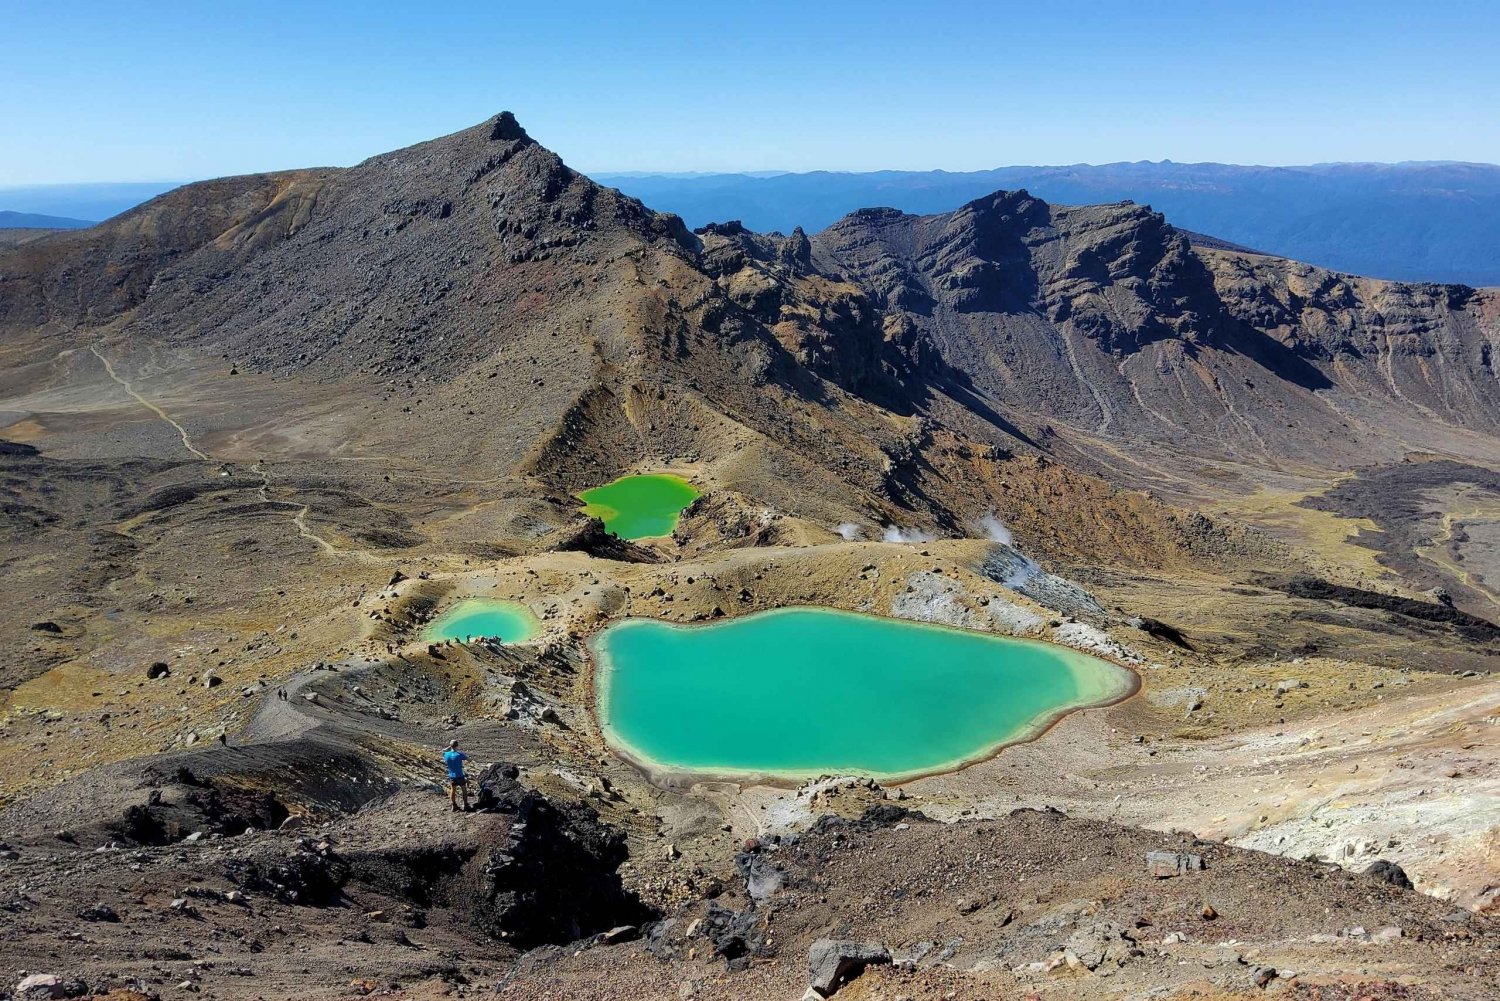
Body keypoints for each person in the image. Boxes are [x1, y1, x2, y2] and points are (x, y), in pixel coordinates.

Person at [443, 739, 471, 812]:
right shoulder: (459, 754)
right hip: (460, 775)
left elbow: (443, 751)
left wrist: (449, 747)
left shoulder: (446, 754)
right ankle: (465, 805)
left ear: (450, 746)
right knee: (464, 790)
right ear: (457, 745)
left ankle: (454, 805)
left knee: (453, 790)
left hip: (452, 775)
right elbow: (469, 759)